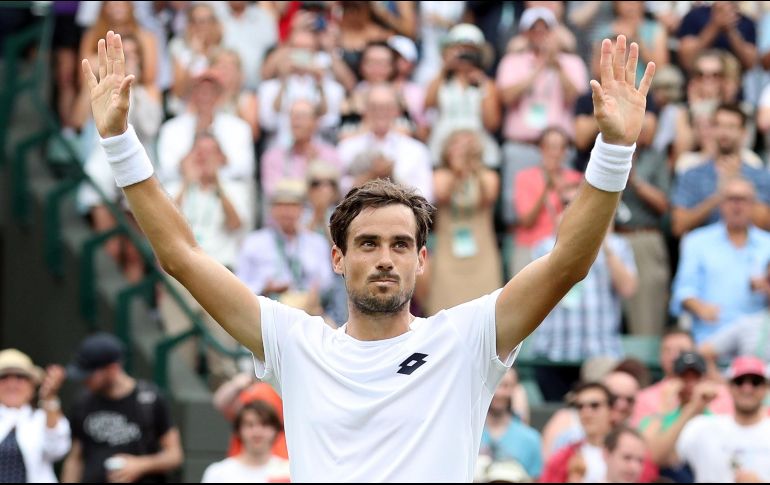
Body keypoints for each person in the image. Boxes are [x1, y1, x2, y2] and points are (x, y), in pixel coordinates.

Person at [81, 31, 655, 481]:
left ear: (421, 260)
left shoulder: (467, 338)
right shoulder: (296, 343)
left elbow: (567, 264)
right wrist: (118, 143)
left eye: (401, 244)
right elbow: (182, 256)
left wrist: (614, 148)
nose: (385, 257)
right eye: (368, 243)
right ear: (337, 257)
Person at [61, 333, 183, 483]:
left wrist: (140, 465)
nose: (85, 380)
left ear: (113, 369)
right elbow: (75, 458)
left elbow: (174, 455)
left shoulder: (149, 399)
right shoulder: (83, 402)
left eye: (90, 375)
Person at [666, 356, 770, 482]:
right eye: (739, 381)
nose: (747, 388)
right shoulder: (702, 426)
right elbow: (661, 458)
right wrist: (693, 407)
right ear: (729, 386)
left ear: (766, 387)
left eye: (756, 382)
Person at [0, 349, 70, 483]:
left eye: (20, 377)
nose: (12, 384)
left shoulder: (42, 418)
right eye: (3, 377)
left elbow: (57, 449)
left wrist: (49, 398)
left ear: (32, 385)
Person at [201, 401, 290, 483]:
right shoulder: (218, 473)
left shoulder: (289, 471)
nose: (257, 432)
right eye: (250, 425)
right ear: (239, 430)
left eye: (264, 424)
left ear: (276, 430)